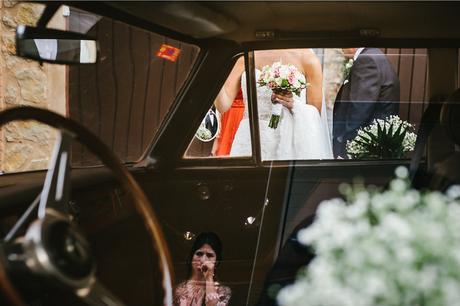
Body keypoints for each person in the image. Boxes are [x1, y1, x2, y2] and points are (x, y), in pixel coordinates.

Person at [215, 49, 333, 160]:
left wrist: (294, 105)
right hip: (251, 139)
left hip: (289, 141)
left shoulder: (308, 59)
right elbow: (222, 105)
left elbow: (315, 116)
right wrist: (214, 71)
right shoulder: (246, 57)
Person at [332, 48, 400, 158]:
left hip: (365, 146)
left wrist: (345, 143)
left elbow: (359, 108)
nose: (340, 48)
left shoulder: (367, 59)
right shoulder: (374, 55)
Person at [174, 232, 231, 306]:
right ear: (191, 257)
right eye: (199, 254)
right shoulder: (178, 290)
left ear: (216, 262)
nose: (203, 260)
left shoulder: (222, 292)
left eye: (210, 255)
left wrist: (209, 278)